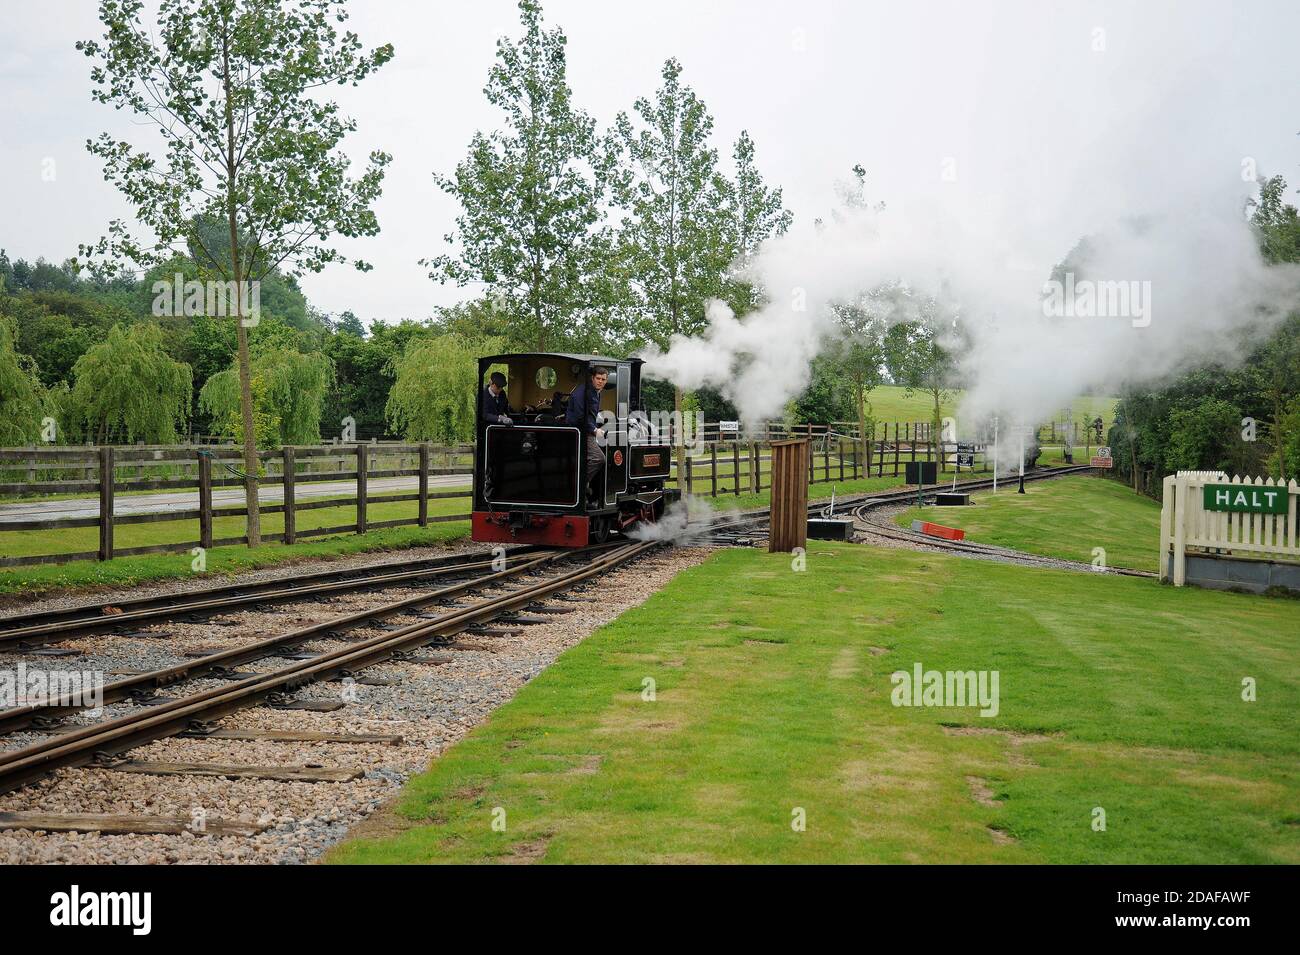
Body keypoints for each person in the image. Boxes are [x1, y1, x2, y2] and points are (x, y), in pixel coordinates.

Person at [566, 365, 608, 504]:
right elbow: (579, 416)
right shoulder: (582, 393)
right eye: (598, 378)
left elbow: (589, 414)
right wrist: (595, 430)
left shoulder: (596, 392)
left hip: (585, 429)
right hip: (578, 431)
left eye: (603, 379)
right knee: (598, 458)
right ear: (592, 378)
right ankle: (578, 485)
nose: (600, 381)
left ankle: (587, 489)